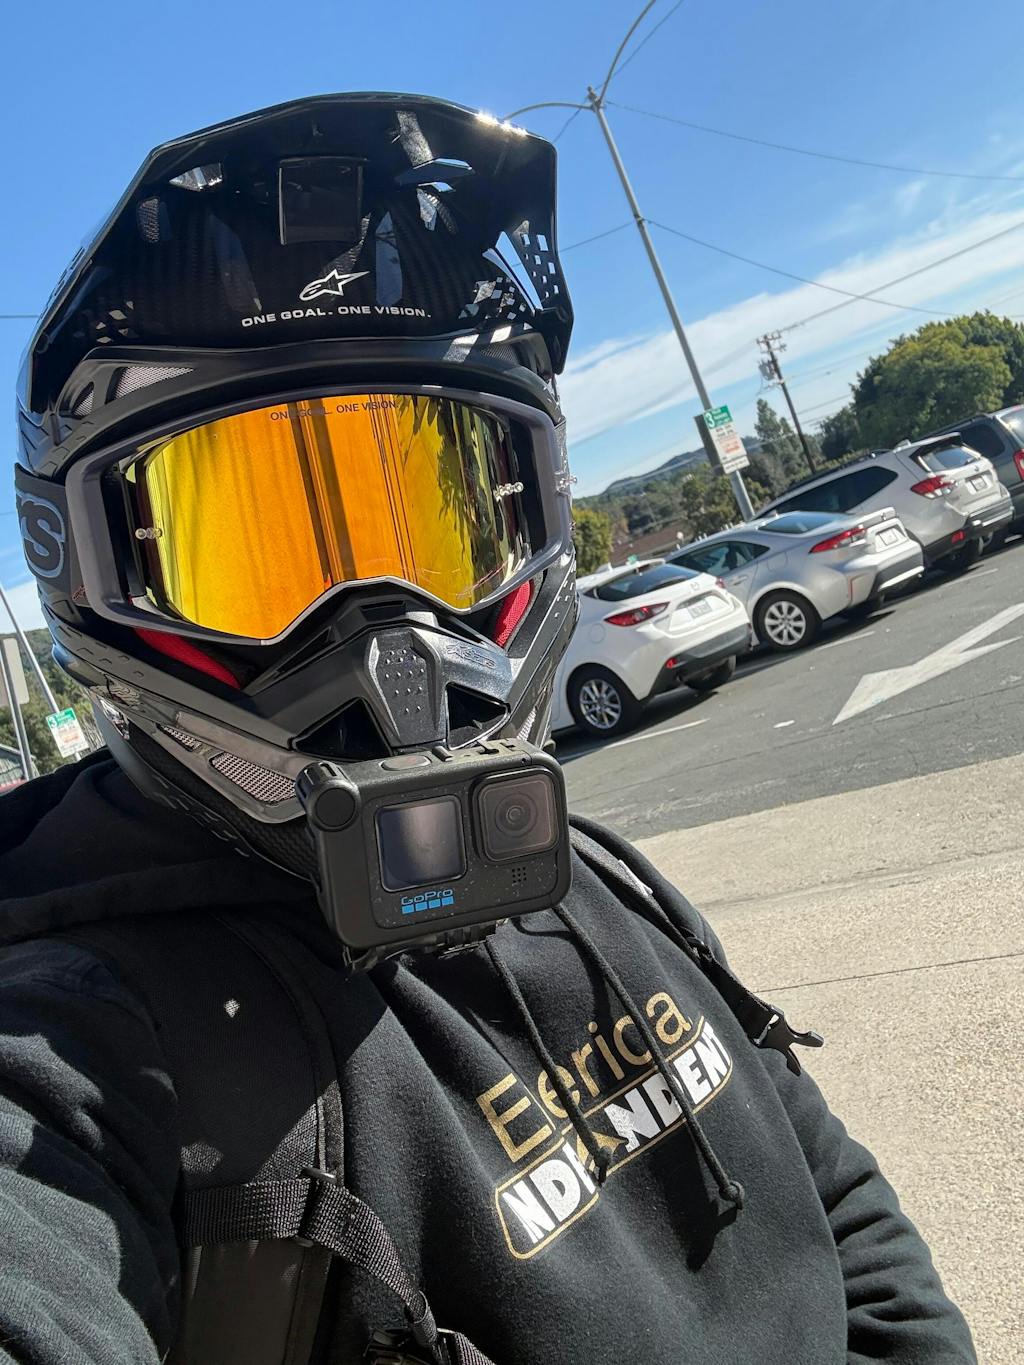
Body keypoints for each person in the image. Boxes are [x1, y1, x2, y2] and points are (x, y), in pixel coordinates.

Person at [1, 93, 976, 1365]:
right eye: (256, 546)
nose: (387, 634)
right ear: (85, 565)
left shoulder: (586, 871)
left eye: (433, 521)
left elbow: (830, 1202)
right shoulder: (78, 1040)